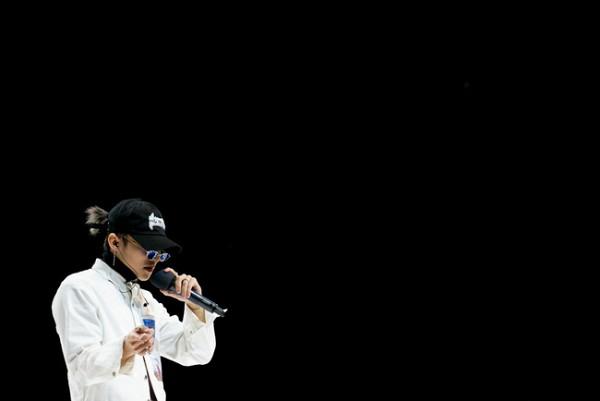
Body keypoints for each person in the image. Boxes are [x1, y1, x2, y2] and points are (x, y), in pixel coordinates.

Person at [52, 198, 219, 401]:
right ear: (114, 242)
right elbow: (80, 368)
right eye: (148, 248)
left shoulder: (144, 299)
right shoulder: (79, 288)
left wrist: (194, 305)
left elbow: (195, 353)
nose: (155, 259)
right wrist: (124, 348)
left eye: (160, 253)